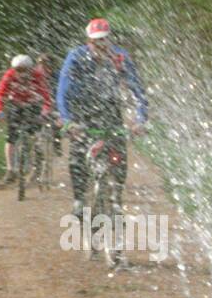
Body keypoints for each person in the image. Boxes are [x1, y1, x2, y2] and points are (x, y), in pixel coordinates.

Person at [56, 18, 149, 217]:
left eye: (104, 40)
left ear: (109, 39)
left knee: (118, 152)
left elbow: (137, 89)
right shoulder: (76, 57)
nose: (100, 45)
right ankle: (79, 200)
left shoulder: (120, 57)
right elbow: (63, 90)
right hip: (81, 110)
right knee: (78, 153)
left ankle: (116, 199)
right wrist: (66, 119)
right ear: (88, 41)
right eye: (95, 41)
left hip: (110, 109)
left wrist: (140, 120)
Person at [0, 54, 53, 183]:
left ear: (30, 69)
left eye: (24, 70)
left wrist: (45, 111)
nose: (21, 73)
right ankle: (10, 170)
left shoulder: (37, 76)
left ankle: (36, 166)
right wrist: (0, 111)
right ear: (14, 69)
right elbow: (0, 94)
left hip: (33, 105)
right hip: (16, 104)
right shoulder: (9, 75)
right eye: (18, 70)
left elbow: (46, 95)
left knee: (35, 135)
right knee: (11, 137)